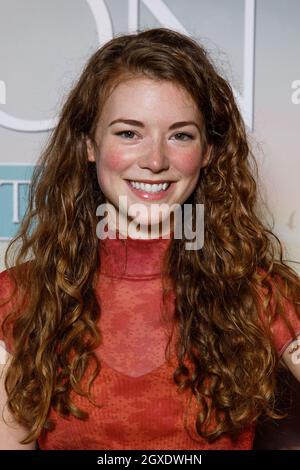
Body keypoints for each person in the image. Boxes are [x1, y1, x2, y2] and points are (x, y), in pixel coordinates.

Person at [0, 27, 300, 451]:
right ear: (89, 144)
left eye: (181, 135)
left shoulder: (261, 292)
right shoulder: (19, 297)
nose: (156, 160)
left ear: (209, 151)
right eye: (128, 133)